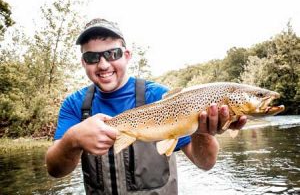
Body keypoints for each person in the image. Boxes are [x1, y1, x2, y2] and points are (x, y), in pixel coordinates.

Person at [45, 18, 247, 195]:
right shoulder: (74, 104)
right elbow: (54, 170)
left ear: (127, 55)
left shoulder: (161, 97)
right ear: (83, 62)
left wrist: (202, 131)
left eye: (113, 54)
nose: (103, 64)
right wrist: (73, 139)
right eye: (92, 57)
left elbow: (205, 163)